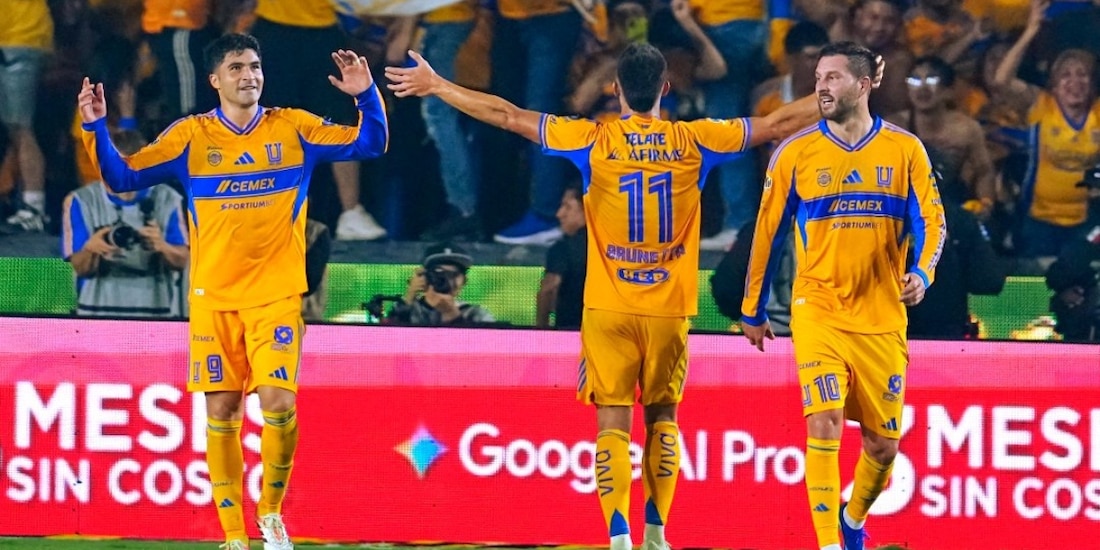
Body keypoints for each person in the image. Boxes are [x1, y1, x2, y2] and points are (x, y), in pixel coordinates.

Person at [385, 40, 826, 550]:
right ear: (665, 88)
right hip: (669, 310)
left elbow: (506, 115)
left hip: (609, 308)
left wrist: (438, 84)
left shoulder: (591, 139)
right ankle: (656, 533)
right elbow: (775, 125)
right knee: (664, 417)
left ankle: (618, 535)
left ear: (614, 90)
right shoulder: (696, 140)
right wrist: (839, 92)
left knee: (611, 422)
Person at [79, 33, 388, 550]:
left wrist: (365, 96)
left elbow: (371, 144)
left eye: (255, 66)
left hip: (276, 296)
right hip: (213, 299)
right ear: (215, 80)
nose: (250, 75)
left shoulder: (294, 127)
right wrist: (95, 128)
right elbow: (121, 179)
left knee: (278, 403)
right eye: (238, 67)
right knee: (221, 412)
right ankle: (233, 538)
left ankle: (270, 517)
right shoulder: (190, 138)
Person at [740, 42, 945, 550]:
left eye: (832, 77)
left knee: (883, 446)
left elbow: (933, 222)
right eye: (818, 77)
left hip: (880, 316)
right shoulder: (795, 153)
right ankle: (829, 543)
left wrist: (921, 272)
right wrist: (753, 308)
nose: (821, 86)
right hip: (819, 309)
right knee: (825, 420)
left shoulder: (905, 150)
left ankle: (852, 522)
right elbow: (765, 233)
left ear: (863, 84)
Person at [251, 0, 388, 241]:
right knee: (270, 122)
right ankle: (269, 210)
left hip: (323, 31)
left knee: (340, 120)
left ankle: (351, 213)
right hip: (273, 29)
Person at [992, 0, 1100, 262]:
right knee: (1038, 288)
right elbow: (1001, 81)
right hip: (1038, 220)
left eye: (1082, 74)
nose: (1074, 82)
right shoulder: (1042, 105)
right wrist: (1030, 31)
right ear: (1054, 83)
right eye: (1066, 75)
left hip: (1085, 221)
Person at [62, 130, 190, 317]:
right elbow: (79, 267)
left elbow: (182, 262)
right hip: (96, 314)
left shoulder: (168, 199)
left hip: (155, 314)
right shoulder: (80, 200)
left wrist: (162, 246)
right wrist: (91, 248)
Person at [389, 242, 496, 326]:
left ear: (464, 281)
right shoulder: (409, 310)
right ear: (425, 276)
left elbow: (487, 347)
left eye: (454, 275)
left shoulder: (476, 313)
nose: (446, 280)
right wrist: (409, 297)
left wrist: (451, 314)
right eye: (439, 273)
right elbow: (386, 341)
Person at [537, 183, 587, 329]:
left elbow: (549, 288)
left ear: (588, 210)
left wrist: (541, 330)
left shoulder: (564, 249)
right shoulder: (617, 249)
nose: (559, 214)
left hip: (570, 336)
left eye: (568, 207)